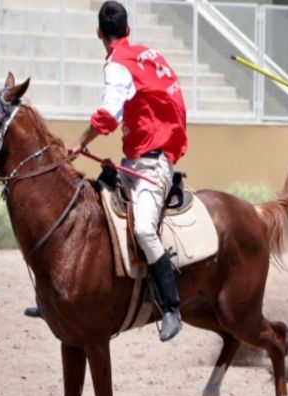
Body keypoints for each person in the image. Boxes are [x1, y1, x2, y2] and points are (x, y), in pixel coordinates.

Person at [64, 0, 188, 342]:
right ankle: (60, 299)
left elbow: (107, 114)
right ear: (128, 30)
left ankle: (171, 307)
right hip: (135, 160)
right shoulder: (144, 55)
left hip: (152, 164)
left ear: (99, 34)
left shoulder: (118, 65)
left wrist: (79, 142)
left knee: (146, 231)